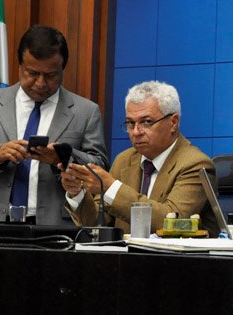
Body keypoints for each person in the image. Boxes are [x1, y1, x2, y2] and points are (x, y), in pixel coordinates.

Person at [0, 25, 108, 225]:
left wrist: (62, 157)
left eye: (50, 75)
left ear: (62, 69)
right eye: (32, 73)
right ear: (20, 66)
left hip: (55, 226)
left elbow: (99, 166)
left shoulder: (86, 111)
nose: (40, 83)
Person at [62, 81, 218, 235]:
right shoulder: (124, 160)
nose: (136, 132)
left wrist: (111, 187)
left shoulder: (195, 164)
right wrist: (77, 193)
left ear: (173, 122)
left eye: (147, 122)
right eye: (130, 123)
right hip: (125, 252)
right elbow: (98, 225)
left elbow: (171, 224)